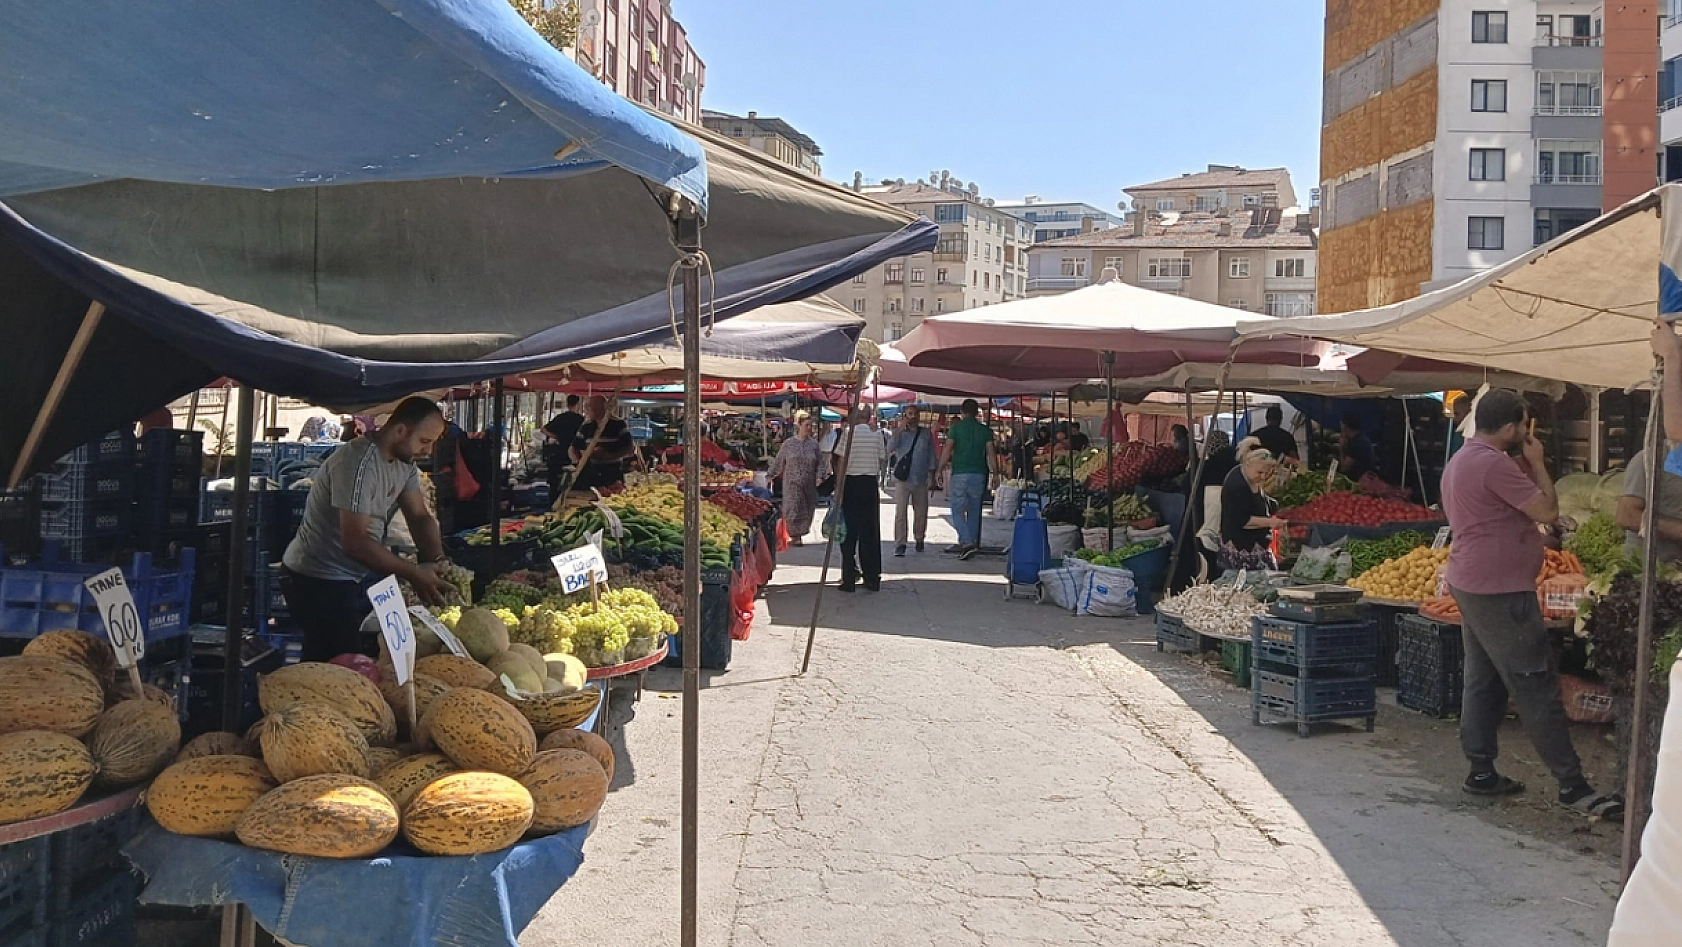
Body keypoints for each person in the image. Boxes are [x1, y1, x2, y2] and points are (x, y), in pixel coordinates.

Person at [1441, 388, 1622, 819]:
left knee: (1483, 679)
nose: (1527, 432)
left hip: (1472, 582)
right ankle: (1572, 786)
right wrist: (1539, 462)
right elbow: (1545, 509)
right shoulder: (1491, 464)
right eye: (1523, 425)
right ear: (1510, 427)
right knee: (1536, 684)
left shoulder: (1464, 459)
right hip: (1500, 592)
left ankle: (1481, 771)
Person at [280, 397, 450, 663]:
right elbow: (356, 543)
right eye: (425, 441)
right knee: (340, 664)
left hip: (352, 575)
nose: (428, 451)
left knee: (350, 658)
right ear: (401, 430)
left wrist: (438, 562)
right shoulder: (359, 462)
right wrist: (414, 573)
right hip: (316, 577)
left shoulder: (404, 465)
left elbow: (419, 517)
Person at [831, 407, 886, 592]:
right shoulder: (877, 434)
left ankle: (848, 578)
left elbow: (840, 461)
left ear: (855, 417)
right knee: (869, 532)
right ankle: (872, 577)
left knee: (849, 532)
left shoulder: (848, 433)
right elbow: (881, 458)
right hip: (869, 484)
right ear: (869, 417)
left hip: (851, 484)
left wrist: (838, 488)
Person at [939, 399, 998, 561]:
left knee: (957, 508)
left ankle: (966, 542)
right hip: (979, 473)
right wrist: (996, 473)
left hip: (960, 472)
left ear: (962, 412)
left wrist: (939, 468)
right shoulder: (985, 431)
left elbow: (947, 450)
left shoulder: (956, 429)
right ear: (977, 412)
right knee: (974, 509)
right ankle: (971, 542)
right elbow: (991, 454)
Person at [1218, 445, 1284, 570]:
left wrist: (1273, 505)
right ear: (1247, 464)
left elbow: (1259, 499)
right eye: (1260, 472)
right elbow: (1243, 520)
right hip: (1242, 548)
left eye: (1267, 473)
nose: (1263, 477)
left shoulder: (1249, 476)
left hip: (1258, 544)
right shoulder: (1237, 486)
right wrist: (1270, 522)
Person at [768, 411, 823, 546]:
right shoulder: (788, 444)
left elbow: (820, 463)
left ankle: (800, 533)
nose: (809, 428)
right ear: (799, 425)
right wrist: (770, 475)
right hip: (792, 483)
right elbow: (779, 461)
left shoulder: (814, 445)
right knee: (793, 508)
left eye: (811, 425)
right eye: (807, 425)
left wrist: (820, 477)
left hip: (808, 482)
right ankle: (795, 535)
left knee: (807, 509)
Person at [888, 406, 936, 556]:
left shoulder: (925, 433)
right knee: (901, 512)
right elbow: (889, 448)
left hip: (920, 479)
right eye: (910, 414)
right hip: (903, 479)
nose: (913, 417)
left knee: (921, 512)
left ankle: (919, 538)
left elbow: (931, 455)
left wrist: (932, 475)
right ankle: (900, 543)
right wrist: (899, 429)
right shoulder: (899, 434)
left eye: (915, 414)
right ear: (905, 416)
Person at [569, 396, 636, 492]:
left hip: (613, 472)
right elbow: (573, 448)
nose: (586, 410)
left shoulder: (618, 424)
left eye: (590, 407)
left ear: (601, 408)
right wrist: (579, 462)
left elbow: (630, 448)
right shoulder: (586, 426)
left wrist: (609, 456)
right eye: (586, 407)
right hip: (591, 473)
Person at [541, 395, 585, 494]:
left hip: (560, 453)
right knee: (574, 482)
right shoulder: (581, 420)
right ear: (578, 404)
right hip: (576, 456)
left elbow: (544, 429)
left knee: (556, 482)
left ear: (567, 404)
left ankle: (555, 498)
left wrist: (557, 437)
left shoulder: (561, 418)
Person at [1338, 413, 1378, 480]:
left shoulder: (1359, 444)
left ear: (1344, 427)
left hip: (1359, 483)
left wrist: (1341, 448)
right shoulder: (1359, 439)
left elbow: (1344, 469)